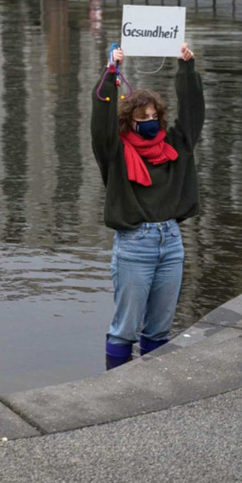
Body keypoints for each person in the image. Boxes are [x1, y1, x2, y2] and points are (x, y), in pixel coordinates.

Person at [91, 43, 203, 369]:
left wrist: (187, 68)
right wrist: (111, 73)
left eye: (155, 117)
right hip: (134, 243)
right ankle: (116, 393)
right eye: (143, 118)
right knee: (125, 330)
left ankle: (151, 395)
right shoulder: (115, 153)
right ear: (129, 122)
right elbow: (100, 126)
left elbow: (194, 112)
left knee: (160, 328)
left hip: (171, 242)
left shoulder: (175, 146)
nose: (151, 122)